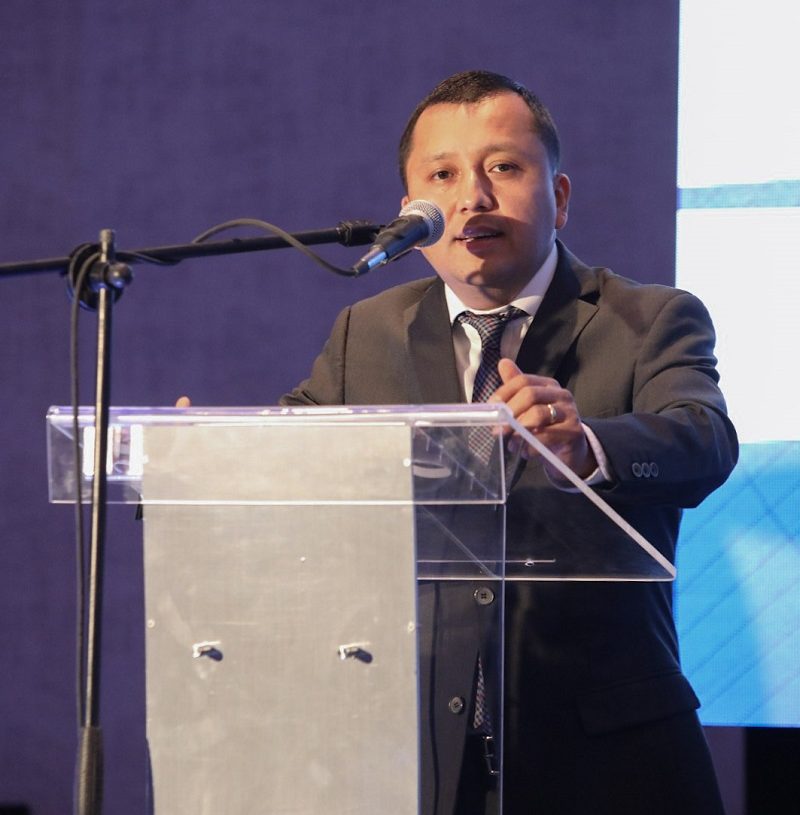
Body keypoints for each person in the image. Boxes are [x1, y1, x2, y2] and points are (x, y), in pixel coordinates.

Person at [282, 70, 738, 815]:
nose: (473, 196)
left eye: (503, 167)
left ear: (559, 196)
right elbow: (288, 447)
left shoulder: (649, 317)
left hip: (609, 757)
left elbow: (703, 440)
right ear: (409, 211)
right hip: (418, 759)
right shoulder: (367, 331)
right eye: (443, 175)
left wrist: (584, 445)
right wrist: (188, 456)